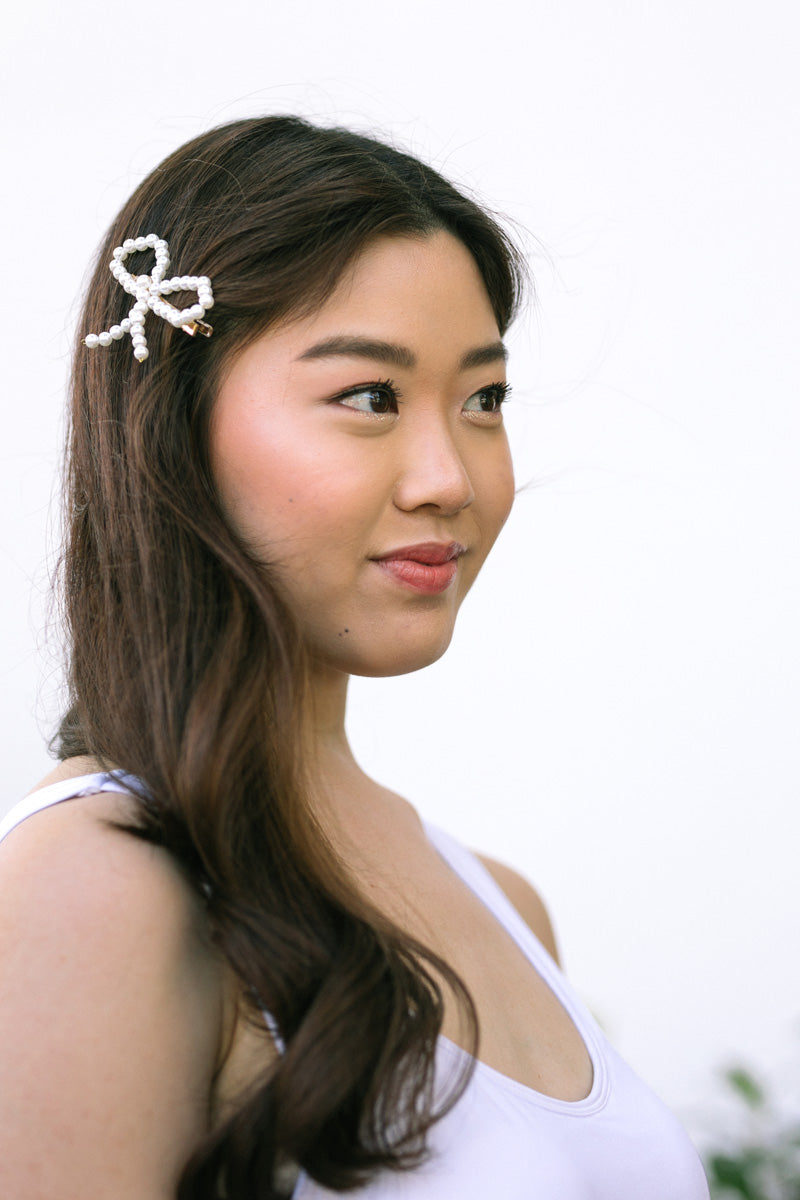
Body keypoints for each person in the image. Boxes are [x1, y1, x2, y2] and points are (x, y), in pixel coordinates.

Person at [0, 116, 709, 1199]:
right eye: (370, 398)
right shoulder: (101, 886)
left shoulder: (509, 906)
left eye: (482, 400)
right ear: (173, 426)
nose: (449, 479)